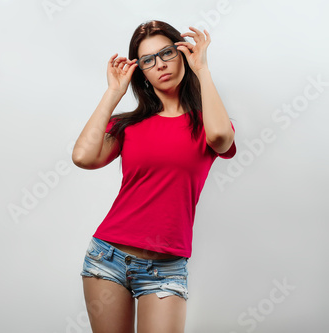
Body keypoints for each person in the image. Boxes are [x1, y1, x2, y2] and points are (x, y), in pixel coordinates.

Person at [71, 20, 237, 333]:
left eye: (167, 53)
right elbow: (83, 157)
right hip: (107, 256)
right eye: (148, 60)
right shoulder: (129, 126)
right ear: (141, 72)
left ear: (183, 54)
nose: (160, 64)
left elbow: (220, 138)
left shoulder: (206, 121)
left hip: (167, 267)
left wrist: (202, 68)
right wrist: (113, 92)